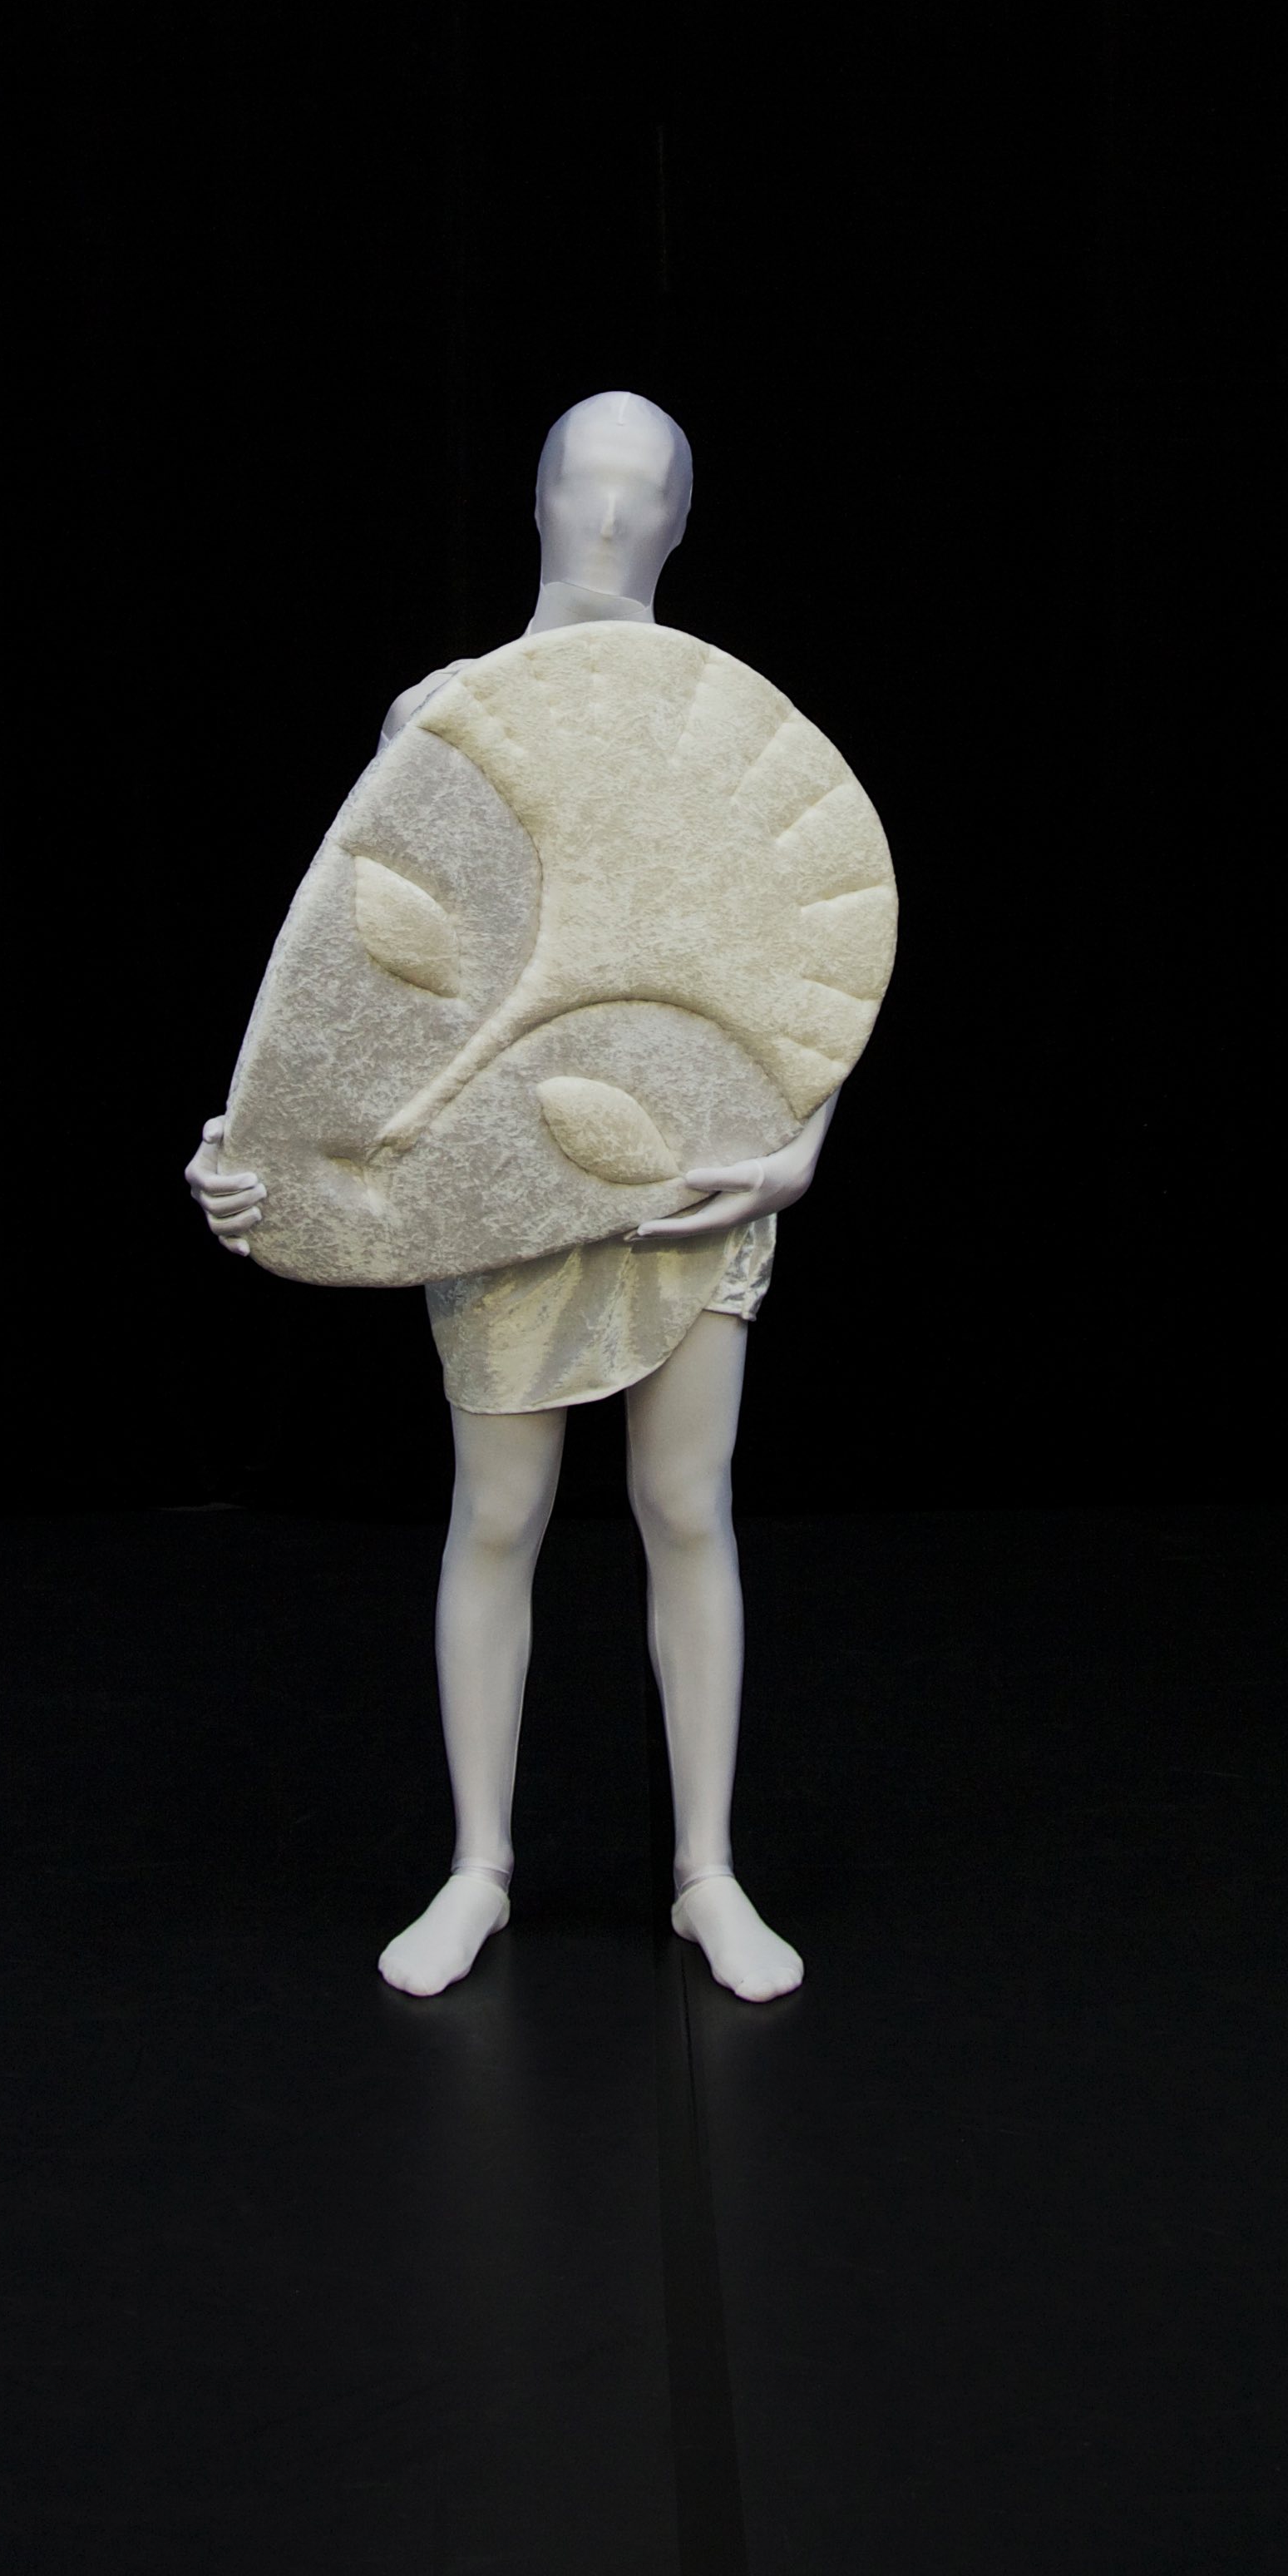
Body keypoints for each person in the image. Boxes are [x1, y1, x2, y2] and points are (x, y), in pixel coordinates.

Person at [185, 392, 828, 2001]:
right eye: (585, 485)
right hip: (498, 1167)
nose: (610, 519)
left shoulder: (721, 719)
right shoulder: (445, 712)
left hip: (688, 1161)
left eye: (643, 491)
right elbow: (372, 970)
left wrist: (800, 1142)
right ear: (536, 501)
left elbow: (802, 947)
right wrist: (267, 1141)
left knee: (687, 1506)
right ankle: (478, 1861)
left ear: (681, 519)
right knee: (496, 1511)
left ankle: (707, 1869)